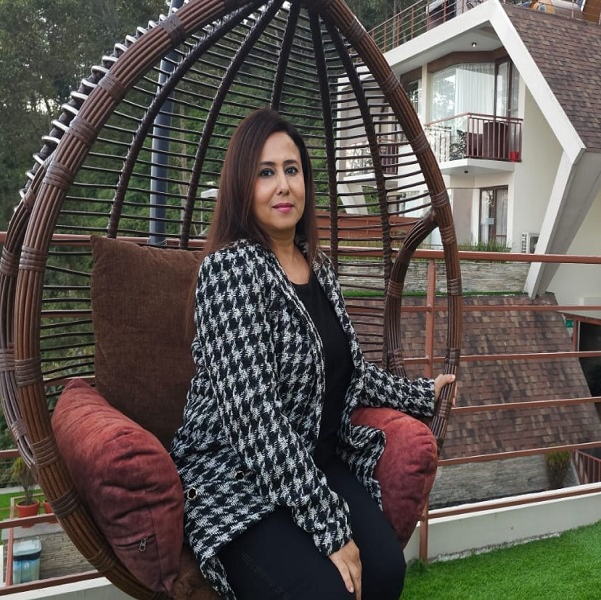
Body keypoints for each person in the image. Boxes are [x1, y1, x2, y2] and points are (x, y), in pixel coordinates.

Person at [170, 108, 456, 600]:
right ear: (242, 186)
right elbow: (255, 419)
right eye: (266, 172)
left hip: (312, 461)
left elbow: (348, 373)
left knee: (386, 572)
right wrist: (327, 524)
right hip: (236, 477)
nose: (283, 185)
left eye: (292, 169)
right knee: (329, 591)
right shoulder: (229, 271)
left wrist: (419, 394)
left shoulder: (318, 269)